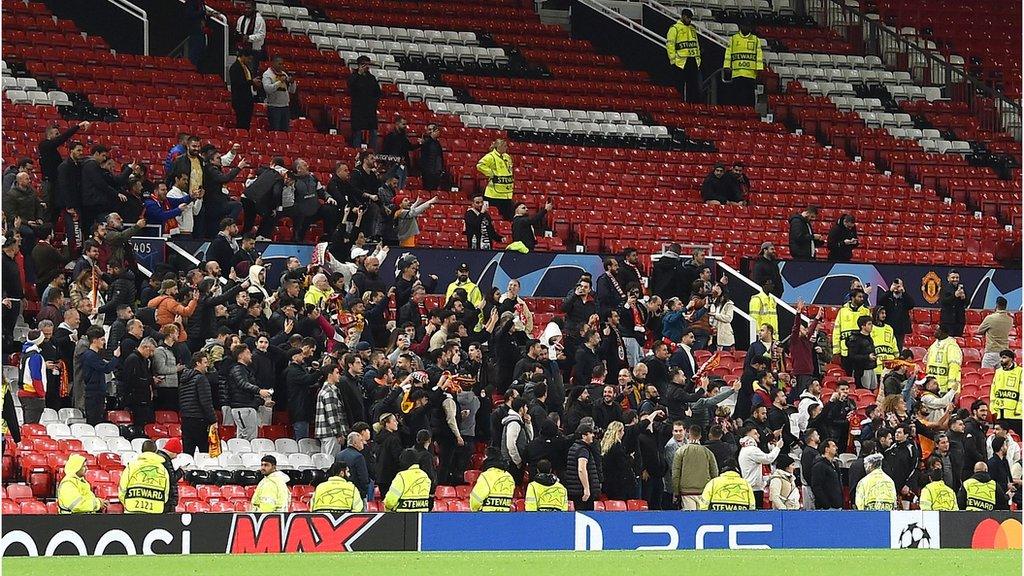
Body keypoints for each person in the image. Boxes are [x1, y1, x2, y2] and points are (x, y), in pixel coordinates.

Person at [227, 344, 273, 441]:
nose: (251, 355)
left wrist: (262, 402)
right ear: (240, 356)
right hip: (242, 408)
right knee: (248, 438)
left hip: (246, 407)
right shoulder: (238, 369)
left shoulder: (245, 370)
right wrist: (259, 391)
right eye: (248, 353)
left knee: (244, 437)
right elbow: (243, 384)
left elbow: (248, 392)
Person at [672, 425, 719, 510]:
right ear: (700, 436)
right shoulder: (708, 452)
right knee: (703, 519)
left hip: (686, 492)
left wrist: (676, 492)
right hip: (704, 491)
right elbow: (715, 473)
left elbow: (675, 473)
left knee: (690, 520)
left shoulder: (680, 451)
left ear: (688, 435)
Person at [179, 351, 216, 455]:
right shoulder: (201, 379)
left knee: (188, 452)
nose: (207, 365)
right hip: (199, 419)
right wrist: (213, 420)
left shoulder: (183, 380)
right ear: (197, 363)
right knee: (204, 452)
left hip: (186, 419)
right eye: (205, 362)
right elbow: (206, 402)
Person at [80, 326, 120, 424]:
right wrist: (115, 357)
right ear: (94, 340)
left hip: (97, 393)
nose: (104, 342)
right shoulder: (90, 355)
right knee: (94, 421)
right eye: (102, 339)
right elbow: (107, 369)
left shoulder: (93, 355)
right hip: (93, 395)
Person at [119, 443, 170, 513]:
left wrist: (126, 503)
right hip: (155, 512)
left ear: (142, 451)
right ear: (156, 451)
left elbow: (123, 488)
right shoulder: (163, 470)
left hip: (132, 511)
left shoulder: (131, 466)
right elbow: (166, 493)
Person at [738, 426, 781, 508]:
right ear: (748, 435)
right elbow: (768, 459)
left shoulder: (744, 449)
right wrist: (777, 448)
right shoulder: (751, 450)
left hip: (750, 487)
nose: (758, 435)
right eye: (755, 433)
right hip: (754, 489)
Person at [723, 20, 763, 107]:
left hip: (750, 74)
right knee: (737, 96)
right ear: (740, 26)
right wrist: (726, 66)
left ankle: (750, 113)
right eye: (745, 26)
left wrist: (759, 69)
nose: (747, 28)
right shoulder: (733, 39)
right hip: (737, 73)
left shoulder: (756, 40)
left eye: (748, 26)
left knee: (749, 97)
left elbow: (759, 55)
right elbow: (728, 53)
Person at [833, 288, 871, 376]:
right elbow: (837, 330)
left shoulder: (866, 311)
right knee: (847, 375)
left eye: (862, 297)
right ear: (852, 298)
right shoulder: (842, 311)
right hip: (846, 350)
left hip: (861, 351)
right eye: (859, 297)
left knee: (860, 377)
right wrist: (836, 350)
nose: (862, 299)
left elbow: (870, 331)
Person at [666, 9, 702, 103]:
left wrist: (698, 60)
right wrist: (673, 61)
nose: (689, 20)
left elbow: (696, 45)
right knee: (679, 86)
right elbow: (670, 45)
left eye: (690, 18)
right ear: (683, 16)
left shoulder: (692, 29)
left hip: (692, 61)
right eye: (687, 18)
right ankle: (679, 105)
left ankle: (693, 106)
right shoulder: (674, 28)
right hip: (680, 62)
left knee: (693, 86)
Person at [348, 55, 382, 149]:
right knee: (357, 133)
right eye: (364, 64)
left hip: (370, 110)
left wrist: (374, 103)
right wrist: (359, 74)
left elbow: (378, 92)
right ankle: (357, 152)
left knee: (373, 132)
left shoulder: (371, 78)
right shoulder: (353, 77)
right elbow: (350, 88)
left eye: (368, 64)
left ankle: (372, 153)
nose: (367, 67)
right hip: (358, 110)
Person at [565, 422, 601, 511]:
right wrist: (586, 489)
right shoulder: (582, 450)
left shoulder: (574, 447)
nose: (593, 435)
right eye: (590, 433)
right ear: (584, 436)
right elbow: (581, 469)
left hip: (575, 489)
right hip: (581, 491)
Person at [476, 139, 515, 220]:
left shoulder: (507, 157)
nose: (506, 148)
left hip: (507, 193)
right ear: (498, 147)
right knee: (491, 217)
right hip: (493, 194)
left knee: (508, 217)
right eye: (504, 146)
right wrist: (491, 173)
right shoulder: (491, 156)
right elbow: (480, 165)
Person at [315, 364, 349, 458]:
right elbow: (332, 416)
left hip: (327, 433)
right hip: (331, 434)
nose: (339, 375)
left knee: (326, 461)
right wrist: (338, 434)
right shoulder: (329, 392)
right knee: (331, 461)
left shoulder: (325, 390)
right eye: (337, 373)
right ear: (330, 375)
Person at [991, 350, 1022, 434]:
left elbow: (1022, 392)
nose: (1001, 360)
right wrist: (993, 408)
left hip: (1016, 415)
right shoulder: (998, 372)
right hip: (1001, 414)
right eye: (1001, 357)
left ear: (1011, 359)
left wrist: (1019, 410)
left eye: (1004, 358)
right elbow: (993, 390)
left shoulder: (1020, 371)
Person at [924, 326, 963, 393]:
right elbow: (927, 362)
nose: (935, 332)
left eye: (937, 330)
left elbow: (954, 368)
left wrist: (951, 387)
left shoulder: (952, 346)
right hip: (932, 387)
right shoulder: (934, 345)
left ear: (943, 333)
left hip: (945, 389)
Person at [262, 56, 296, 132]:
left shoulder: (284, 74)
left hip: (285, 106)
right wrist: (279, 82)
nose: (281, 66)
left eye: (282, 64)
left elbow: (292, 91)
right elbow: (268, 89)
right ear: (273, 63)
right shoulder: (267, 74)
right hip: (274, 107)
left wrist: (292, 82)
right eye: (279, 64)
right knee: (275, 131)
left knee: (285, 131)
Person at [977, 297, 1012, 369]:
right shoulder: (1010, 320)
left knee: (986, 375)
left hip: (991, 352)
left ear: (996, 305)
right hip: (1004, 353)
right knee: (1001, 377)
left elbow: (979, 331)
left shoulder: (990, 318)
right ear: (1005, 306)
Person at [229, 49, 259, 129]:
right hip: (240, 100)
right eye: (248, 58)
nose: (249, 61)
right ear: (243, 56)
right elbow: (238, 84)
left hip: (247, 99)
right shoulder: (235, 67)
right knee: (241, 122)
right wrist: (251, 82)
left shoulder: (246, 68)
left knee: (247, 123)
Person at [337, 431, 370, 503]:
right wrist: (364, 493)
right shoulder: (359, 457)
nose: (363, 442)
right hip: (356, 494)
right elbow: (363, 478)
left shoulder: (339, 455)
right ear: (354, 443)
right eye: (361, 440)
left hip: (341, 493)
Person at [811, 438, 843, 509]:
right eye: (834, 446)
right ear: (827, 449)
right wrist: (826, 504)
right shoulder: (819, 466)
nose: (836, 448)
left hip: (837, 505)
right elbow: (816, 487)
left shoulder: (835, 464)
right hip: (827, 508)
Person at [939, 269, 967, 337]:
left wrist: (964, 298)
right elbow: (943, 301)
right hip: (947, 321)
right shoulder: (944, 288)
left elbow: (967, 303)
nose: (955, 279)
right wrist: (955, 295)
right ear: (948, 278)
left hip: (959, 321)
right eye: (953, 277)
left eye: (957, 278)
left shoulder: (962, 288)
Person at [420, 123, 447, 191]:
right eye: (429, 130)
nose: (431, 132)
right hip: (428, 172)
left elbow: (439, 157)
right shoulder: (425, 141)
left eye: (433, 130)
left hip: (436, 171)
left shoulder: (437, 143)